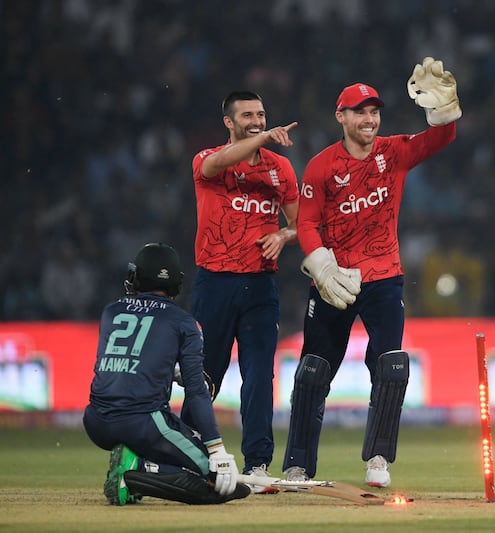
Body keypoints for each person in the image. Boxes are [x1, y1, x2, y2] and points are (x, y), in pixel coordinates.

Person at [281, 57, 462, 488]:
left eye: (374, 111)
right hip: (333, 281)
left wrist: (443, 110)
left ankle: (379, 459)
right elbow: (305, 223)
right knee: (313, 371)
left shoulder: (394, 151)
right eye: (360, 111)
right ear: (340, 117)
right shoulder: (322, 166)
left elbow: (443, 137)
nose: (369, 118)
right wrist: (322, 264)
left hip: (384, 276)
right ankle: (298, 465)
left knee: (391, 367)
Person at [185, 90, 299, 494]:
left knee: (258, 377)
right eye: (247, 114)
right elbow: (221, 162)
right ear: (229, 123)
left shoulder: (281, 169)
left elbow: (303, 223)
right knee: (204, 377)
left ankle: (258, 463)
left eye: (262, 114)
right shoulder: (206, 160)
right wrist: (264, 138)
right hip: (214, 282)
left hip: (259, 285)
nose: (257, 119)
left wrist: (285, 236)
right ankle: (189, 456)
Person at [83, 243, 249, 505]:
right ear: (176, 282)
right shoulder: (184, 322)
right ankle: (139, 472)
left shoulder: (111, 312)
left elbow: (129, 359)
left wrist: (165, 368)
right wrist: (216, 449)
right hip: (144, 424)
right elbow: (196, 390)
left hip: (95, 421)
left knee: (218, 479)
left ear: (136, 276)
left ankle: (141, 463)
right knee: (221, 486)